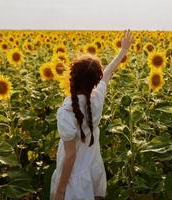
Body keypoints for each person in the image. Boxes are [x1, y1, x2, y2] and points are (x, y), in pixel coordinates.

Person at [50, 30, 134, 200]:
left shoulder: (66, 113)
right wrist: (123, 50)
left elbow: (70, 155)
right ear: (96, 81)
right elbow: (109, 72)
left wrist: (60, 191)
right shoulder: (97, 98)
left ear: (71, 78)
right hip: (92, 166)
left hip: (72, 178)